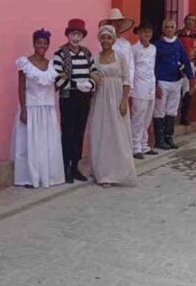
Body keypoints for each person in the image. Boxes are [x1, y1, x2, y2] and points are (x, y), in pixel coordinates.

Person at [11, 29, 65, 188]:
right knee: (30, 144)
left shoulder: (52, 65)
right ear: (34, 43)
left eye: (45, 43)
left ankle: (48, 175)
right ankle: (29, 178)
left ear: (48, 45)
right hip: (31, 107)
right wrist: (23, 110)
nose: (42, 45)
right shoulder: (24, 63)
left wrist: (62, 78)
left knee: (47, 143)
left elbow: (52, 88)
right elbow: (21, 88)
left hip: (47, 109)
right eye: (39, 42)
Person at [89, 26, 137, 187]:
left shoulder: (120, 56)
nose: (106, 41)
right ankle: (103, 173)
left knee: (118, 133)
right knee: (102, 133)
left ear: (114, 40)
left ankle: (120, 171)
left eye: (109, 38)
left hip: (117, 98)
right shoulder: (95, 58)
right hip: (101, 99)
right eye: (103, 38)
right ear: (99, 39)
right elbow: (90, 75)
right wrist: (93, 77)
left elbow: (126, 79)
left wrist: (124, 101)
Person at [53, 19, 98, 183]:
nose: (76, 37)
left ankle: (76, 167)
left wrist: (90, 84)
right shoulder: (60, 54)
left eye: (79, 34)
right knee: (68, 133)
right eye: (73, 34)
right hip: (68, 97)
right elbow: (57, 78)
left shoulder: (87, 53)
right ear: (68, 35)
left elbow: (94, 73)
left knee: (79, 132)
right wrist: (76, 85)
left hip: (84, 98)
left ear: (83, 36)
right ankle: (66, 168)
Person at [153, 19, 195, 149]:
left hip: (176, 81)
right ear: (163, 29)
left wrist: (191, 79)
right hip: (162, 81)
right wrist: (155, 85)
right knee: (159, 110)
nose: (170, 29)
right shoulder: (157, 45)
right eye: (167, 27)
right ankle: (159, 140)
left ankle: (168, 137)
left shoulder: (178, 44)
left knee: (171, 110)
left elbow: (185, 61)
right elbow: (152, 66)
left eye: (172, 27)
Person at [130, 23, 157, 159]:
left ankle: (144, 145)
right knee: (138, 119)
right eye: (145, 32)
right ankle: (135, 147)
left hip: (150, 87)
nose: (147, 35)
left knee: (147, 119)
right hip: (139, 88)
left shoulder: (153, 49)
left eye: (149, 32)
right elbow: (131, 69)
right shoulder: (134, 49)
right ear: (139, 33)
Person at [177, 14, 196, 125]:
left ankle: (184, 116)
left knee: (188, 90)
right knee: (177, 88)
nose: (190, 22)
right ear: (184, 20)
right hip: (179, 64)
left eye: (193, 20)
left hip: (191, 64)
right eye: (189, 20)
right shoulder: (177, 34)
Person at [99, 8, 135, 88]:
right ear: (110, 24)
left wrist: (129, 84)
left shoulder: (126, 44)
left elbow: (130, 66)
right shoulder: (103, 43)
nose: (117, 24)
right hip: (108, 83)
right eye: (115, 22)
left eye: (119, 21)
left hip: (125, 83)